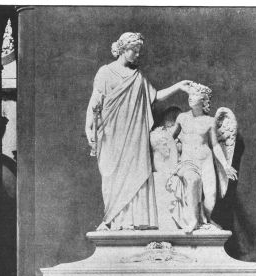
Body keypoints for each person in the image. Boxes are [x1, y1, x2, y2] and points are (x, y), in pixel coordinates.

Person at [85, 32, 192, 230]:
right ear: (123, 49)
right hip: (111, 134)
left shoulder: (138, 77)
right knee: (112, 176)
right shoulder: (105, 73)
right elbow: (95, 101)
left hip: (134, 134)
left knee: (135, 174)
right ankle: (113, 220)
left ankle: (133, 222)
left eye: (138, 51)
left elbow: (155, 96)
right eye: (134, 50)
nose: (137, 55)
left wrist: (178, 86)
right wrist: (88, 127)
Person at [170, 82, 238, 222]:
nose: (191, 97)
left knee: (211, 198)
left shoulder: (210, 121)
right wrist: (173, 158)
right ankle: (193, 221)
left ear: (204, 100)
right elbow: (169, 138)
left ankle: (205, 221)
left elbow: (215, 145)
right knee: (193, 184)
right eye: (190, 94)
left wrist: (226, 166)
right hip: (188, 161)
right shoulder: (182, 118)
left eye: (195, 95)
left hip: (206, 161)